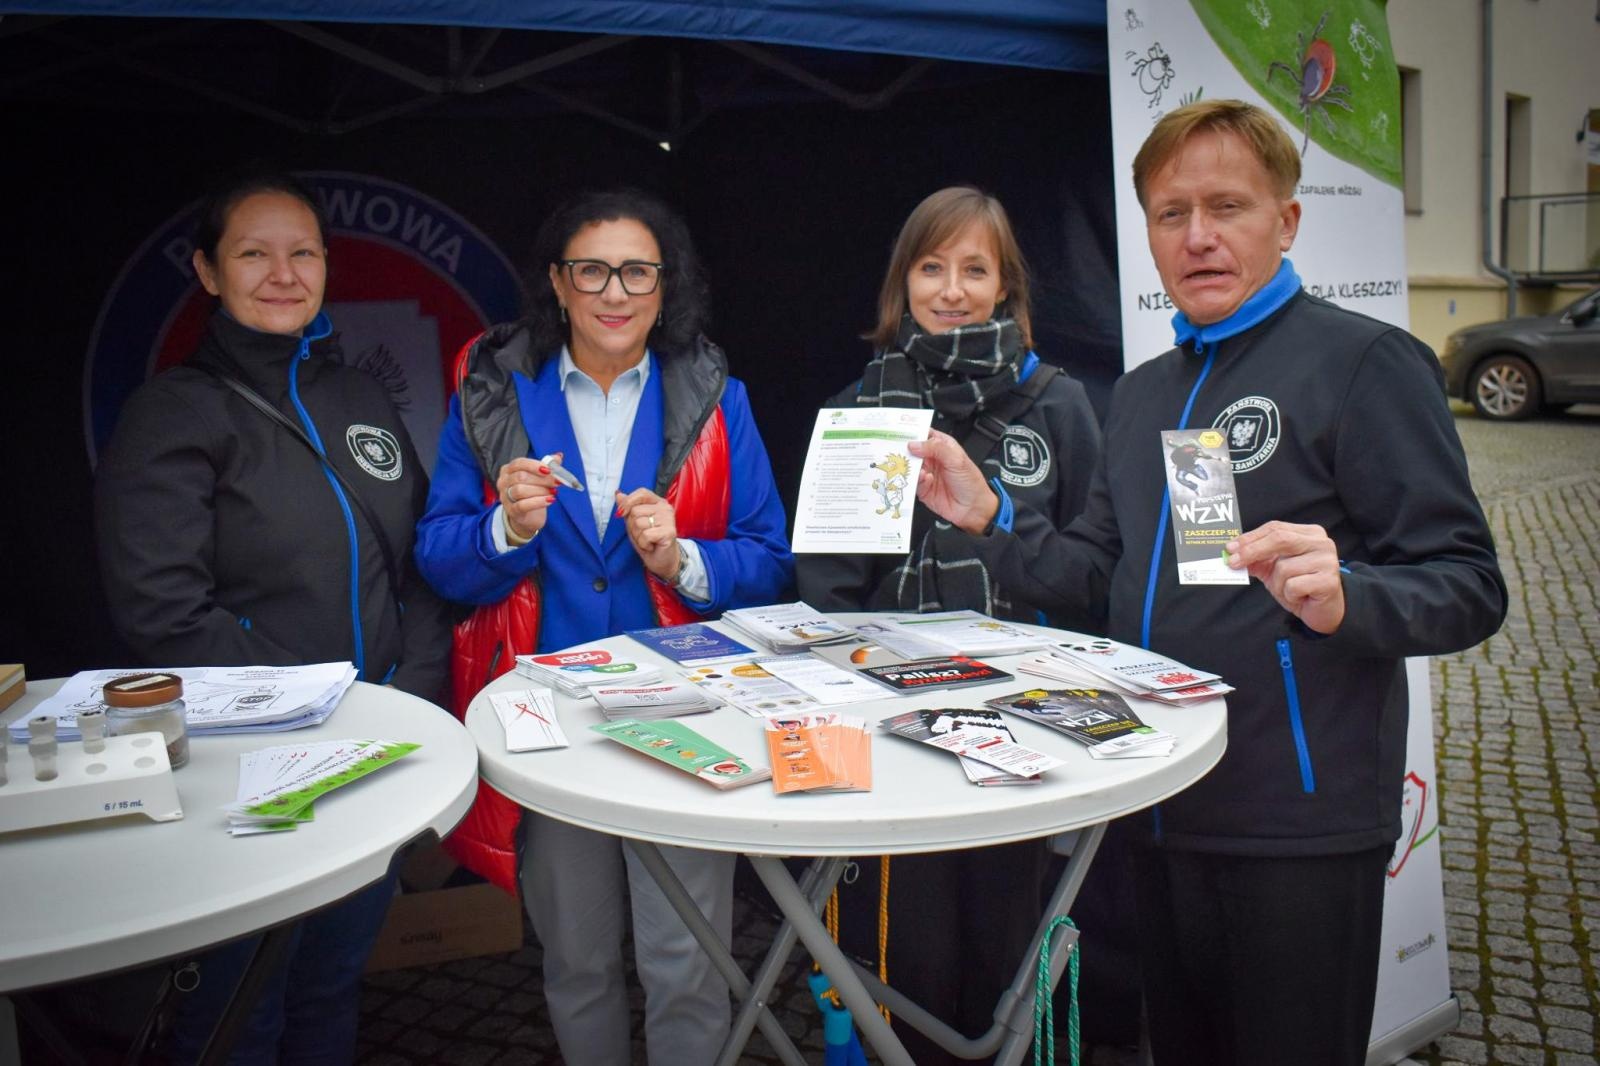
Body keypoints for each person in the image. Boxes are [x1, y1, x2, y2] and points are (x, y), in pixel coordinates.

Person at [907, 100, 1506, 1066]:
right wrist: (992, 519)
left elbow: (1468, 583)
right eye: (1170, 213)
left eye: (1226, 206)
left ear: (1287, 221)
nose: (1198, 237)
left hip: (1296, 826)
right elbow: (1102, 577)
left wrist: (1350, 592)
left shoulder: (1361, 362)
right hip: (1160, 806)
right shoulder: (1146, 390)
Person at [414, 188, 794, 1066]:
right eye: (591, 270)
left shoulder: (715, 394)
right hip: (546, 723)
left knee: (685, 959)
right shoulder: (491, 392)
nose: (613, 292)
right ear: (557, 283)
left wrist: (683, 562)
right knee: (576, 960)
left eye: (637, 271)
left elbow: (770, 562)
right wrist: (505, 528)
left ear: (666, 288)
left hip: (688, 715)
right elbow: (438, 558)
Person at [95, 171, 451, 1063]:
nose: (283, 273)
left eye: (303, 252)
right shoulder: (172, 413)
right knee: (239, 1008)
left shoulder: (359, 401)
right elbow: (163, 612)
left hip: (376, 757)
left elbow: (418, 563)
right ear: (208, 271)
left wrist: (410, 695)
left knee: (331, 986)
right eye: (254, 252)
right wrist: (308, 715)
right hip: (249, 774)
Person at [795, 186, 1103, 1065]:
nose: (953, 288)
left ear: (1007, 286)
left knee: (1010, 945)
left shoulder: (1059, 405)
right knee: (909, 956)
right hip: (899, 743)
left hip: (1029, 737)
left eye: (976, 268)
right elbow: (825, 595)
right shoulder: (860, 408)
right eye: (933, 267)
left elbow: (1091, 575)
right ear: (904, 282)